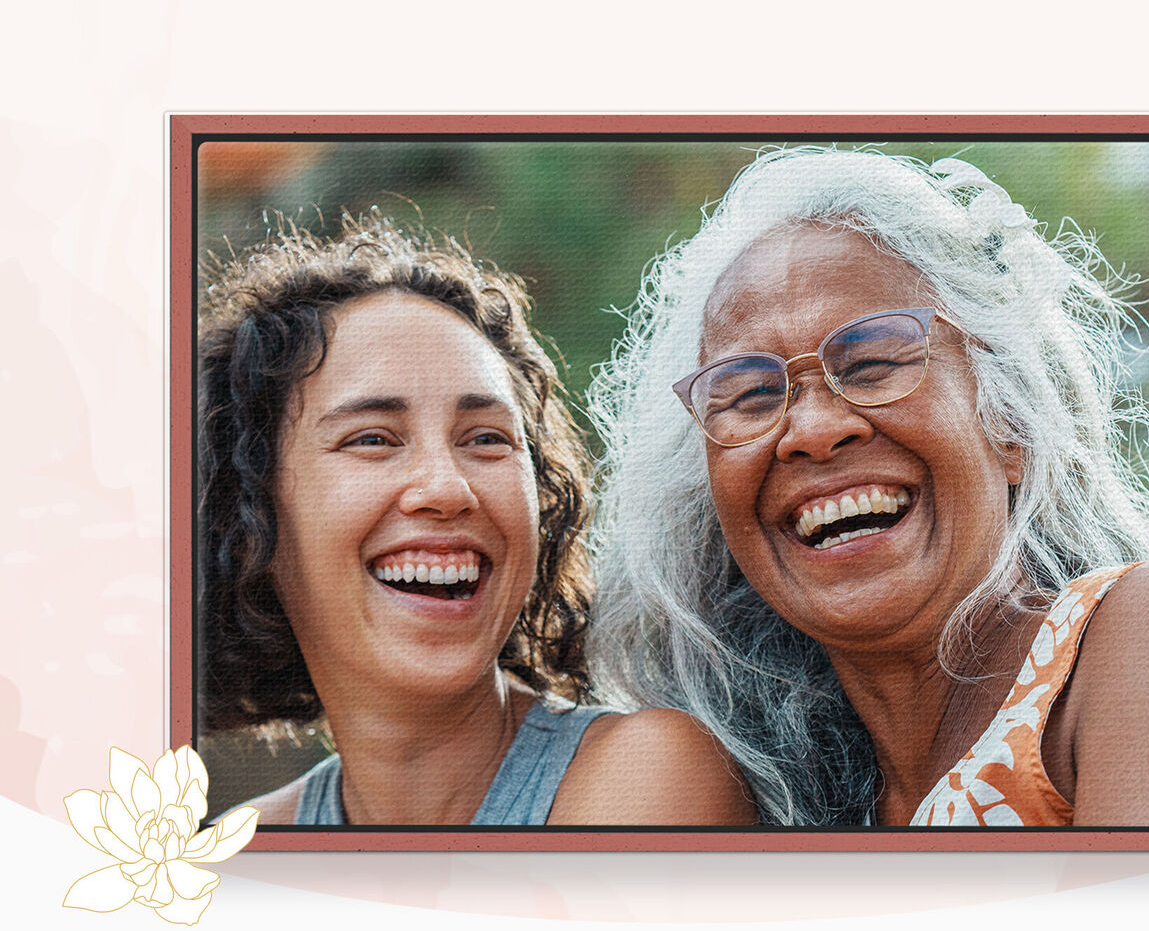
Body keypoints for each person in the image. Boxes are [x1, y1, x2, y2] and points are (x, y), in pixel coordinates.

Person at [587, 147, 1149, 827]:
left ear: (1012, 428)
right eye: (754, 395)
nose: (813, 430)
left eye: (875, 362)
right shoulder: (762, 805)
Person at [198, 212, 754, 825]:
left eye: (487, 438)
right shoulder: (241, 854)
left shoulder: (646, 779)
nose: (448, 488)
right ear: (248, 516)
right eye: (374, 440)